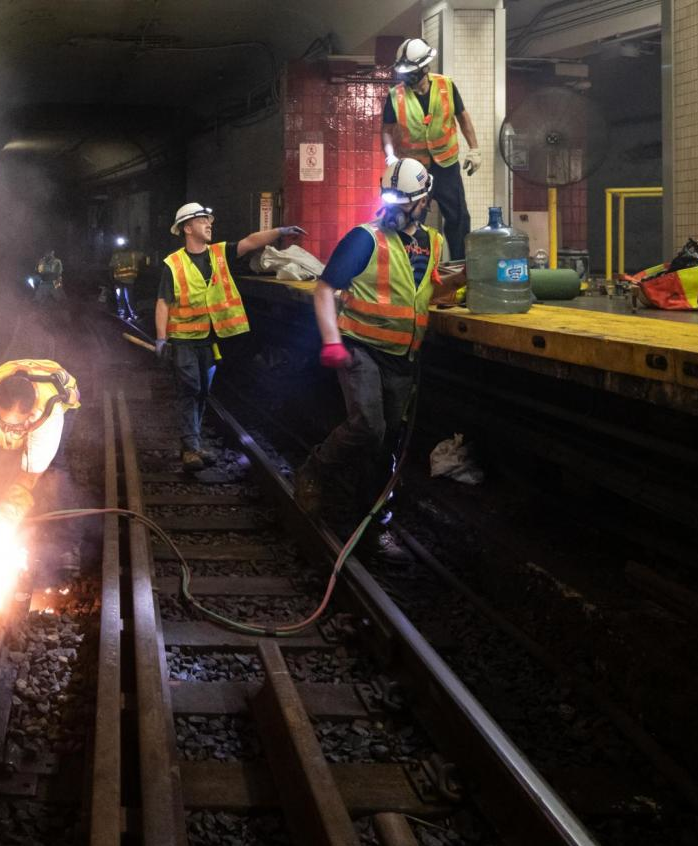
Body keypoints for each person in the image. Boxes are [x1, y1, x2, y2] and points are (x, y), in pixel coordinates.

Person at [294, 158, 445, 564]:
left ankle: (371, 518)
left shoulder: (432, 242)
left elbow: (429, 289)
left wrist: (478, 276)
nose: (396, 210)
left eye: (405, 203)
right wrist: (331, 340)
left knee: (386, 439)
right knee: (367, 424)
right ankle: (314, 469)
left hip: (402, 355)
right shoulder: (364, 238)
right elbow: (325, 289)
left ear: (423, 201)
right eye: (391, 202)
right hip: (360, 346)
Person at [154, 203, 306, 471]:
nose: (209, 224)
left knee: (201, 391)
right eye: (202, 221)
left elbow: (250, 242)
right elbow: (163, 303)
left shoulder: (218, 254)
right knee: (190, 389)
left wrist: (280, 231)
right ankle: (190, 446)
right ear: (187, 228)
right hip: (184, 341)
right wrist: (161, 338)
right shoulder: (173, 264)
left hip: (210, 340)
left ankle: (194, 442)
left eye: (209, 221)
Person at [381, 37, 481, 260]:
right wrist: (390, 157)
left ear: (425, 67)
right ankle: (410, 268)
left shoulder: (446, 85)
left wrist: (475, 149)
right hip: (414, 171)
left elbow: (463, 117)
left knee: (458, 219)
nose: (408, 78)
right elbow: (387, 129)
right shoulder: (395, 95)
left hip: (446, 166)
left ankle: (459, 268)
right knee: (409, 219)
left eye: (412, 73)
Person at [0, 359, 80, 522]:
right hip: (6, 388)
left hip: (63, 397)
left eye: (16, 427)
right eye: (3, 424)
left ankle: (66, 528)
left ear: (30, 414)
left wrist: (8, 514)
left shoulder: (48, 416)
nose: (9, 430)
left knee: (54, 468)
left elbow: (31, 474)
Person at [109, 244, 145, 320]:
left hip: (126, 281)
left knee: (127, 298)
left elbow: (111, 269)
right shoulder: (131, 254)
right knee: (124, 298)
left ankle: (130, 315)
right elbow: (111, 269)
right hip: (122, 281)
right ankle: (128, 315)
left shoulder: (132, 254)